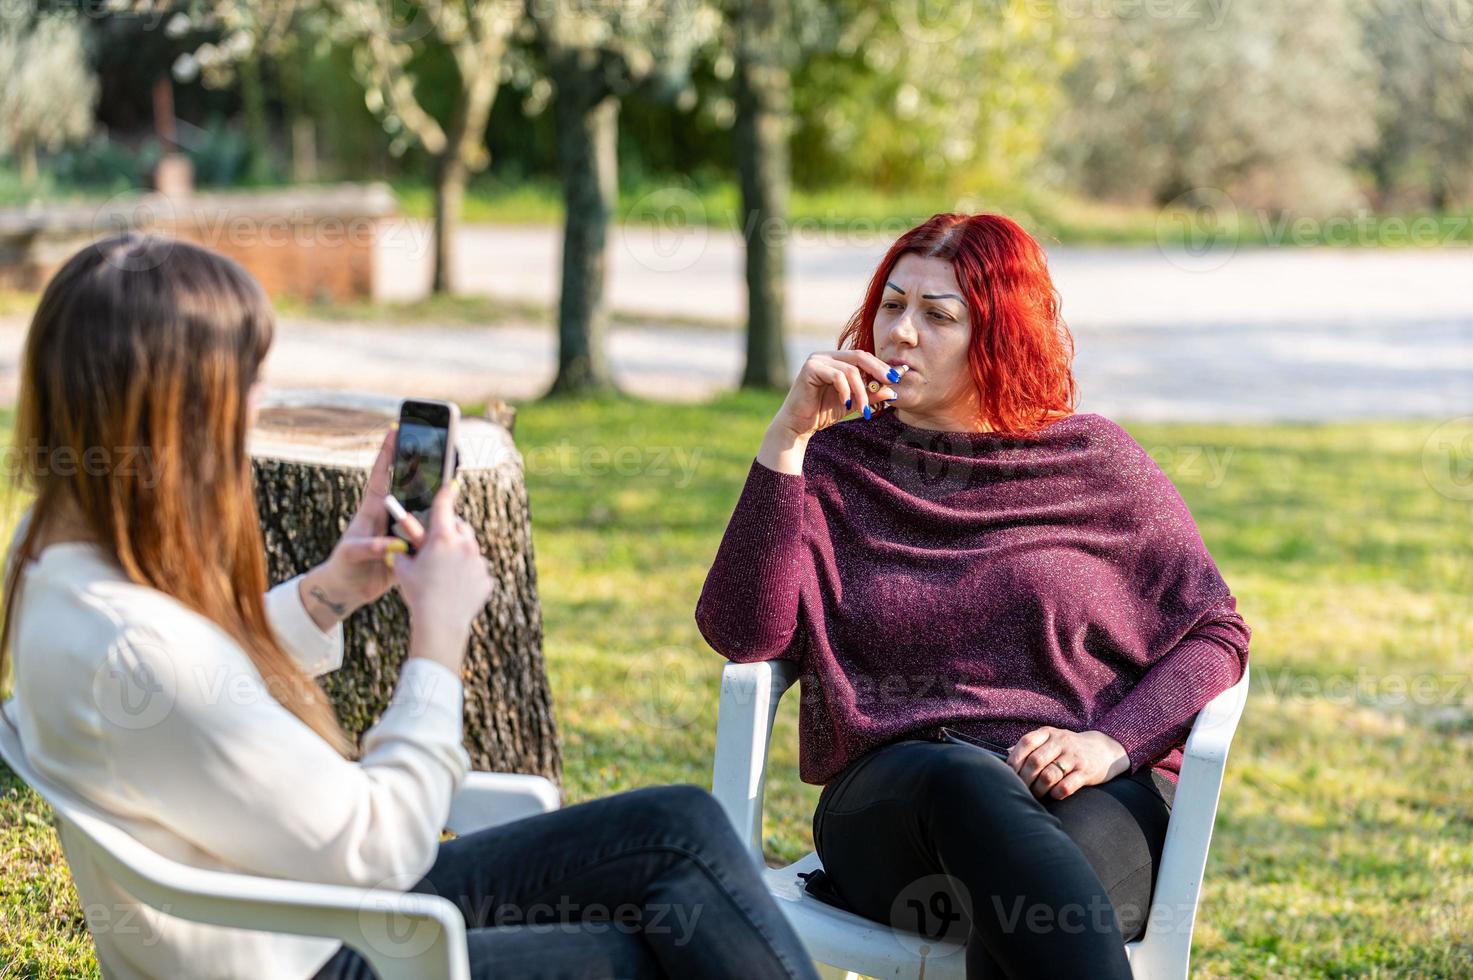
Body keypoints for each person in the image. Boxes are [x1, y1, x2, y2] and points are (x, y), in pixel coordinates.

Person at [2, 234, 819, 980]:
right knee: (647, 952)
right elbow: (379, 848)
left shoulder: (54, 560)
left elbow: (191, 687)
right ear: (175, 414)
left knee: (676, 829)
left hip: (298, 902)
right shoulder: (133, 649)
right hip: (314, 948)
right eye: (243, 383)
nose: (254, 407)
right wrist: (438, 636)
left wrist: (328, 593)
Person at [696, 213, 1252, 979]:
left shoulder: (1093, 460)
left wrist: (1108, 744)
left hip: (1090, 795)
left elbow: (1214, 632)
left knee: (1043, 897)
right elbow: (741, 632)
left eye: (937, 315)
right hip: (901, 803)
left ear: (1001, 333)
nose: (901, 334)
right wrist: (785, 441)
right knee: (967, 783)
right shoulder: (833, 463)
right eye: (890, 306)